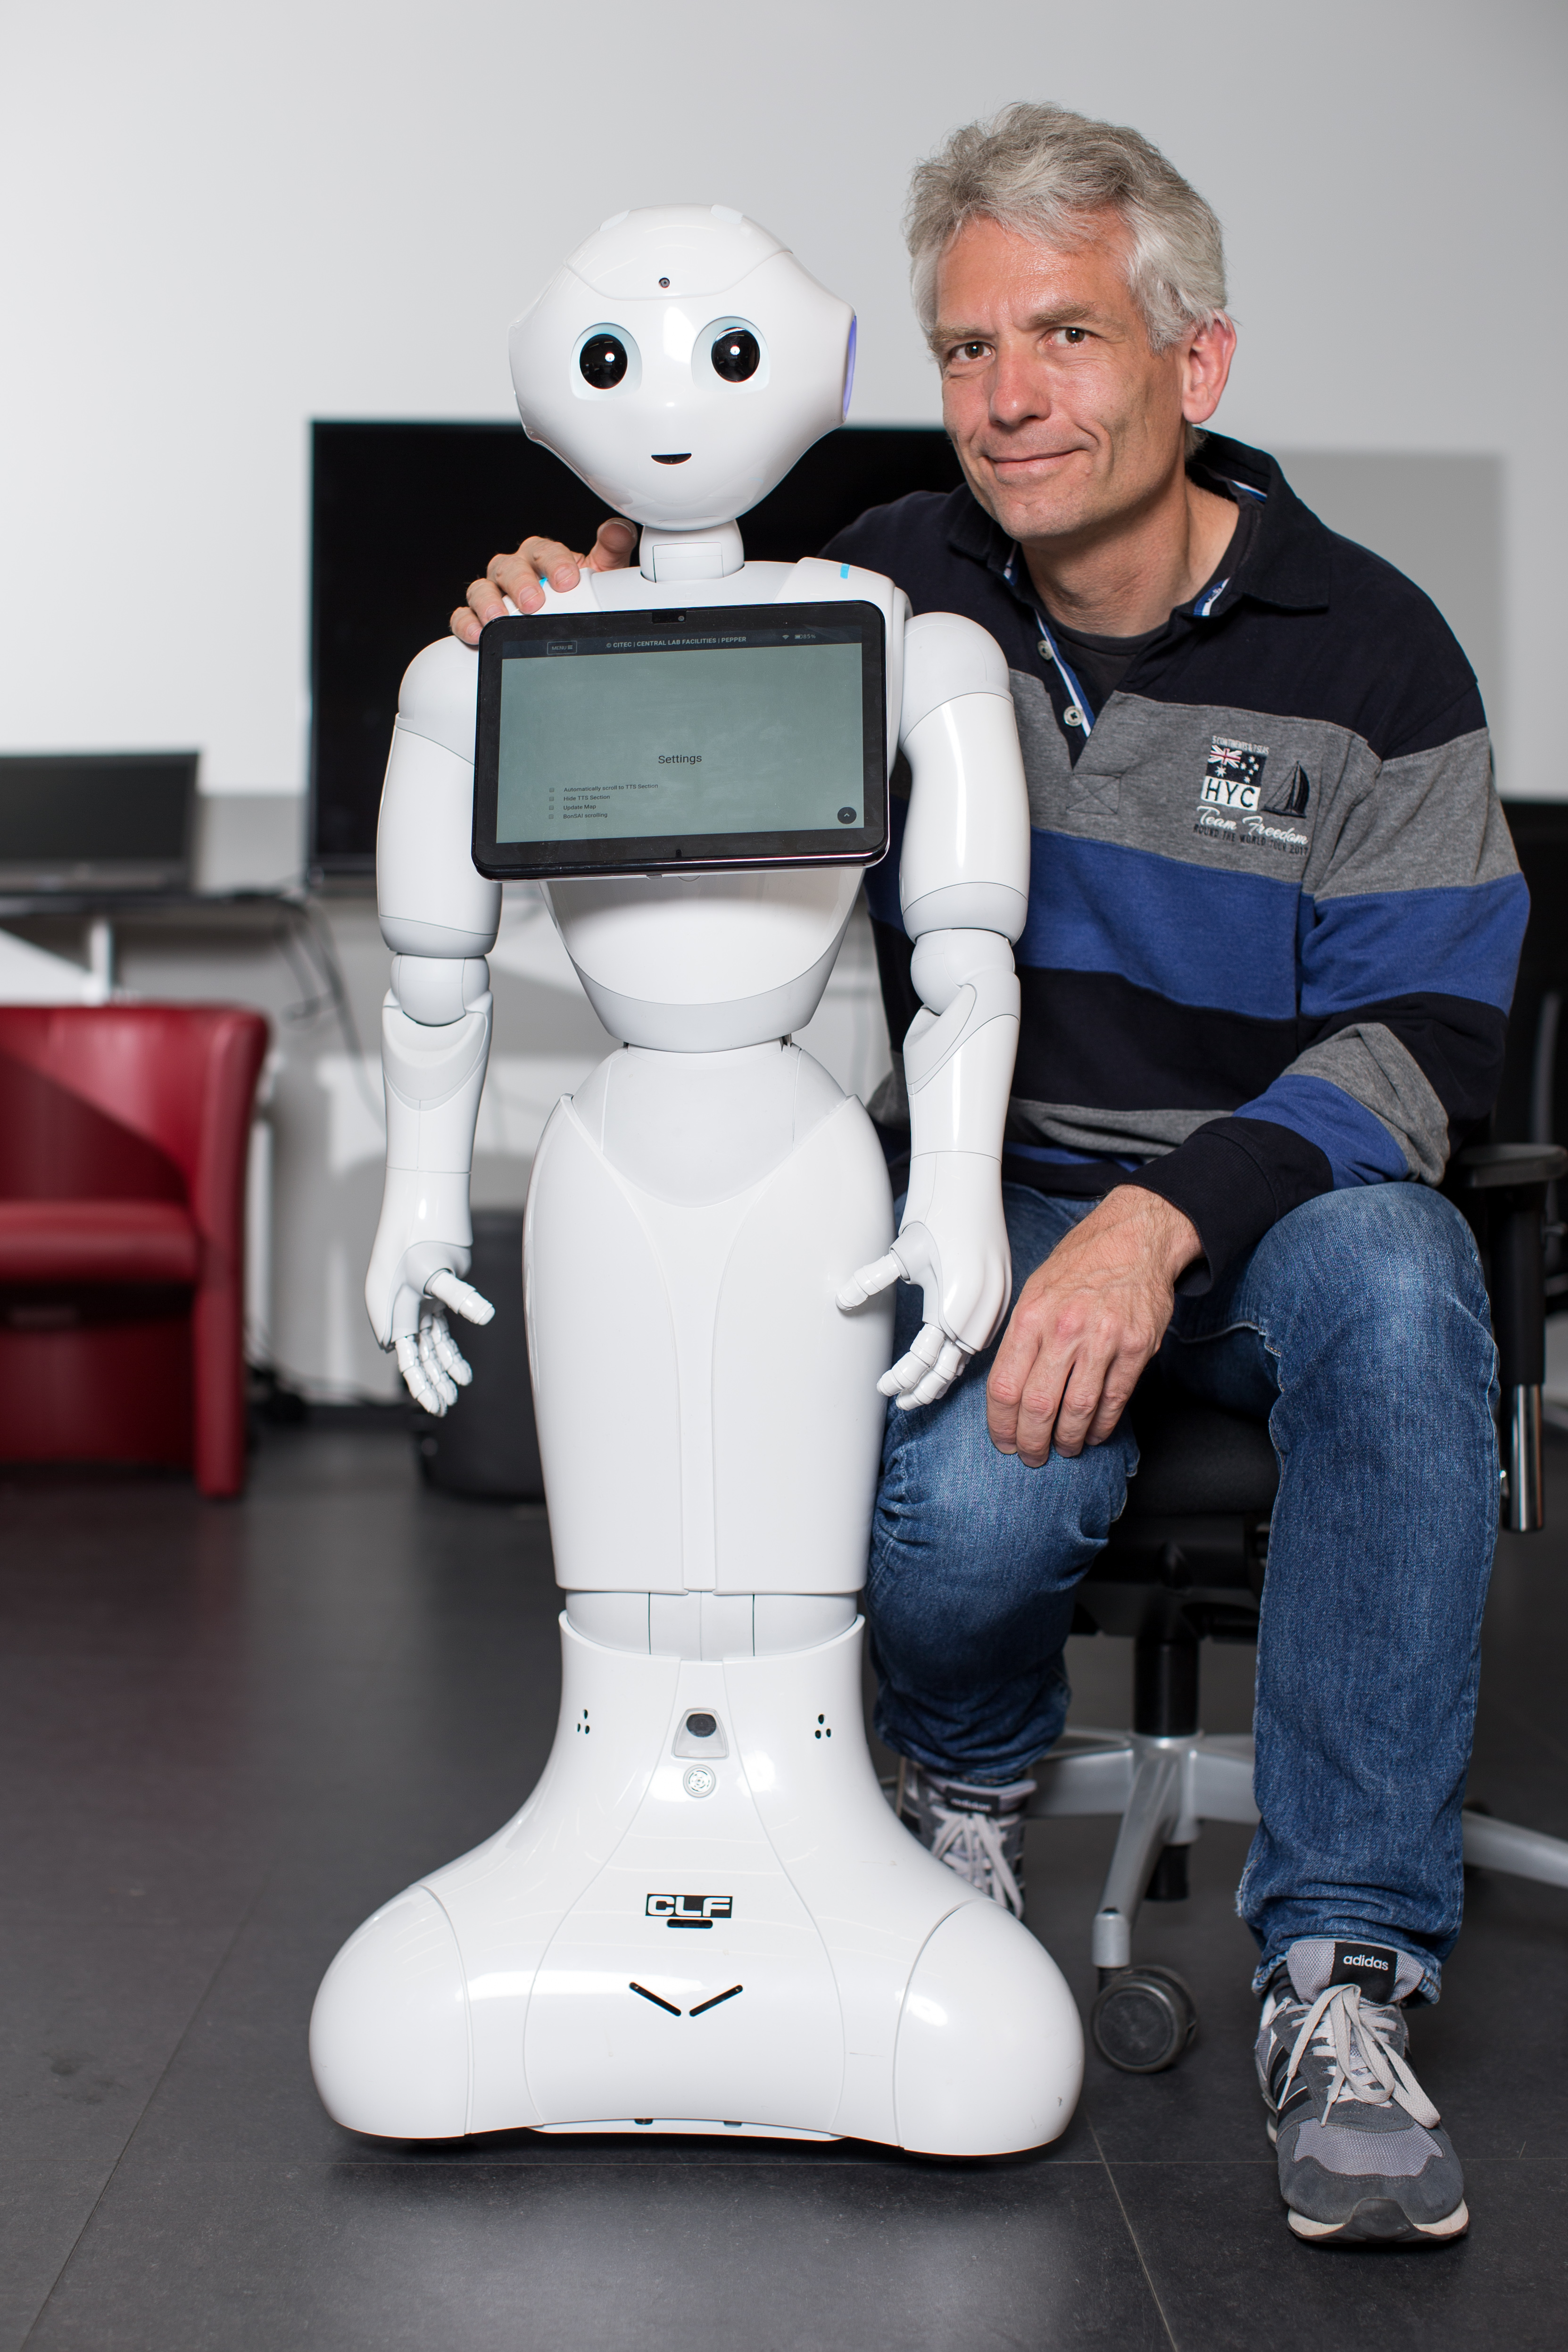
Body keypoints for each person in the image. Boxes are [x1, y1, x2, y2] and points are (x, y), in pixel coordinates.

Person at [450, 105, 1525, 2247]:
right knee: (966, 1515)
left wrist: (1164, 1221)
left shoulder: (1370, 646)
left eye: (1066, 335)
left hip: (1278, 1207)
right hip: (1001, 1188)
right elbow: (672, 600)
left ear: (1196, 361)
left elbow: (1430, 1034)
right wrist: (558, 593)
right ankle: (956, 1800)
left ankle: (1344, 1970)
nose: (1008, 396)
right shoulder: (895, 577)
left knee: (1412, 1287)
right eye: (965, 348)